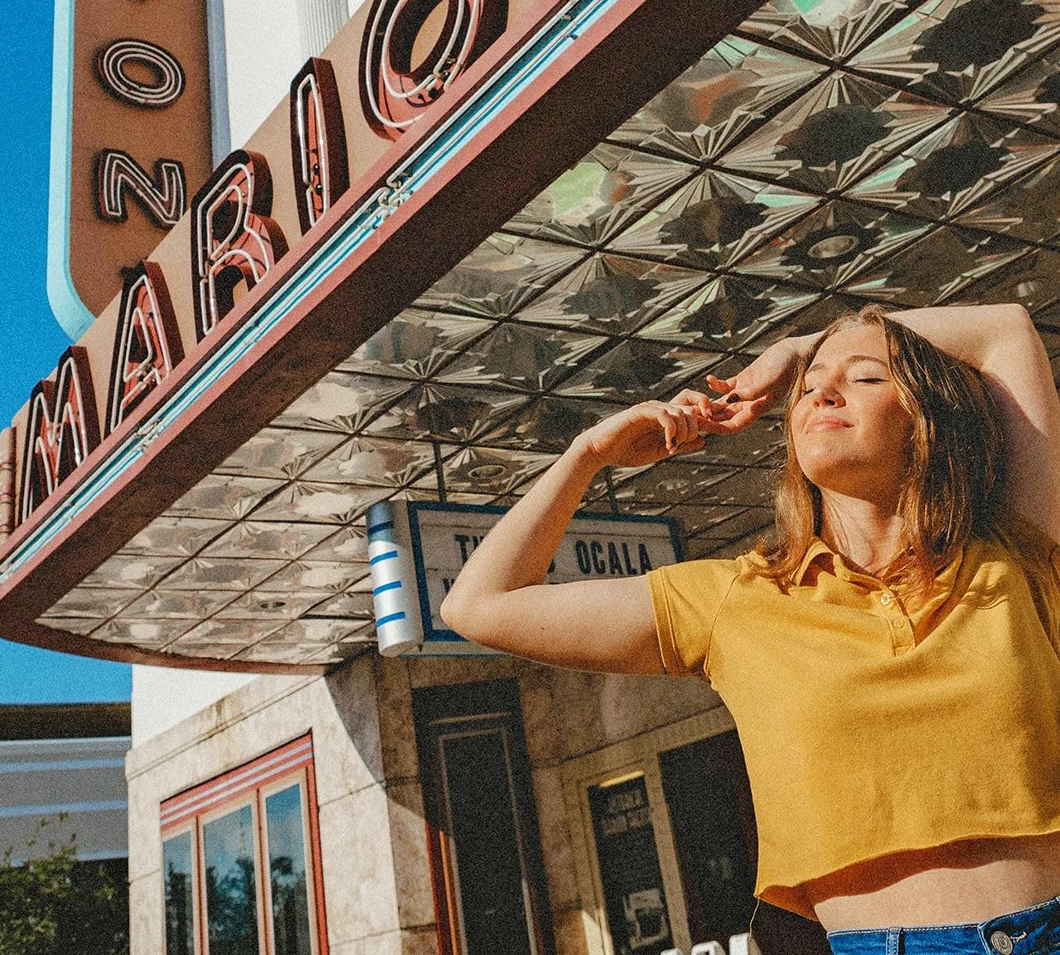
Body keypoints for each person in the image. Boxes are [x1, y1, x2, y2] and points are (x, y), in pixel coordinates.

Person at [440, 303, 1060, 953]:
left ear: (925, 420)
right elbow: (479, 605)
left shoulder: (1015, 550)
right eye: (810, 386)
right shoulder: (734, 597)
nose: (823, 392)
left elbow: (1005, 330)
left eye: (866, 378)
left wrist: (799, 350)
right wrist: (587, 454)